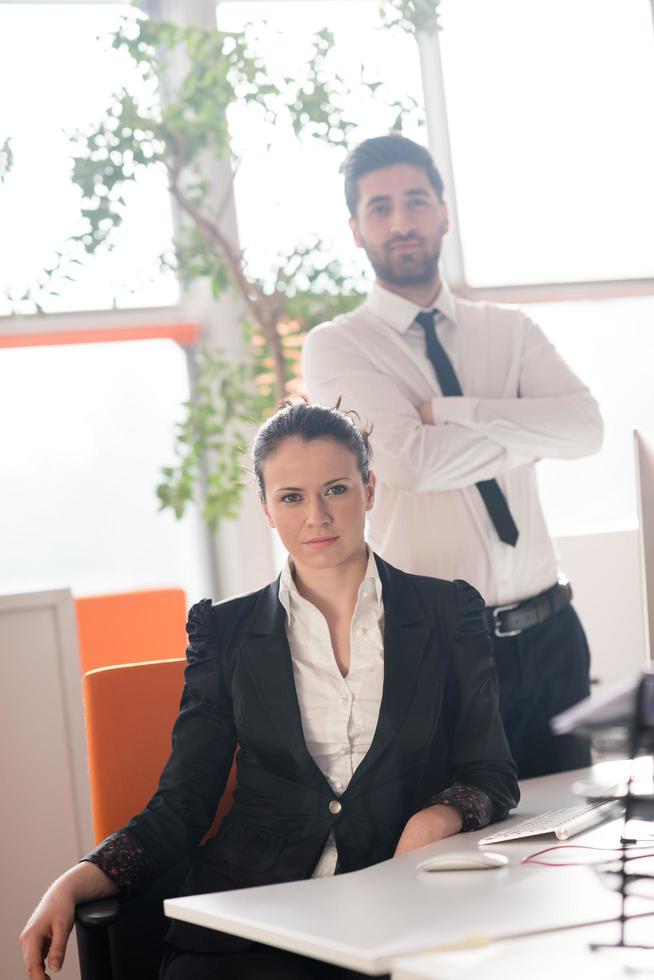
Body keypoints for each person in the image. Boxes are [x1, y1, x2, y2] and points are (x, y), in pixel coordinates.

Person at [21, 401, 518, 980]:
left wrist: (438, 816)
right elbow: (181, 806)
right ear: (265, 507)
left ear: (370, 488)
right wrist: (73, 879)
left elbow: (490, 773)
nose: (317, 517)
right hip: (249, 920)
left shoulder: (446, 611)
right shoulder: (224, 632)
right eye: (291, 497)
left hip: (397, 906)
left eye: (335, 489)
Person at [302, 134, 604, 781]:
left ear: (444, 212)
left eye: (416, 201)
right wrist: (527, 436)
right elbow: (410, 464)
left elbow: (583, 431)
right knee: (456, 850)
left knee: (571, 837)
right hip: (441, 649)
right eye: (380, 208)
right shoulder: (337, 347)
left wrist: (458, 413)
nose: (402, 221)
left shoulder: (510, 331)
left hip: (553, 636)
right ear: (355, 230)